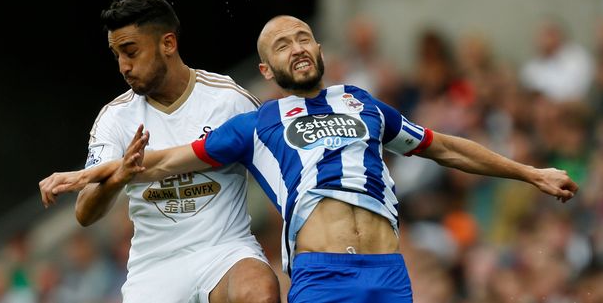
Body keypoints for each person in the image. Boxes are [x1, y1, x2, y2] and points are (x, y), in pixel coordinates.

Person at [40, 15, 579, 303]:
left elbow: (445, 146)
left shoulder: (362, 104)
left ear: (320, 51)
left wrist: (529, 171)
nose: (295, 46)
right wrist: (85, 175)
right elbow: (160, 161)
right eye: (280, 45)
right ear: (268, 71)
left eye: (302, 37)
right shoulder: (256, 123)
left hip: (389, 273)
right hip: (323, 276)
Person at [50, 0, 279, 303]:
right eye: (117, 55)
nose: (123, 66)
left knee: (259, 290)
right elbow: (85, 212)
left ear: (168, 43)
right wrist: (120, 176)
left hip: (225, 251)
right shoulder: (115, 118)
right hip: (155, 267)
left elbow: (278, 169)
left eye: (131, 52)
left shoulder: (229, 100)